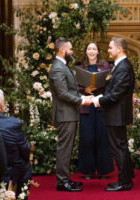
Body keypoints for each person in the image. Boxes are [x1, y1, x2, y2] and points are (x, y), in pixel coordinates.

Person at [48, 37, 92, 192]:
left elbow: (70, 91)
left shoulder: (63, 66)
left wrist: (83, 97)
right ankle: (62, 183)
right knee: (64, 148)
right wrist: (82, 101)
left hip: (69, 114)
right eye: (71, 49)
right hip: (64, 114)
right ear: (62, 50)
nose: (72, 52)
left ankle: (65, 179)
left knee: (66, 148)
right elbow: (62, 93)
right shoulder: (58, 68)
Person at [93, 36, 135, 191]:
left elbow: (116, 93)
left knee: (118, 147)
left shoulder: (123, 67)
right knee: (121, 146)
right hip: (115, 113)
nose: (108, 50)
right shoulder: (119, 65)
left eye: (111, 47)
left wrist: (99, 100)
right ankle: (127, 178)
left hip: (117, 114)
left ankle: (124, 183)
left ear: (120, 49)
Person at [0, 88, 32, 198]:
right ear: (1, 105)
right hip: (11, 172)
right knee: (26, 165)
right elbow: (25, 149)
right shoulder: (13, 123)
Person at [75, 42, 114, 180]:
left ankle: (104, 171)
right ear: (86, 52)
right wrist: (85, 90)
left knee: (102, 137)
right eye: (89, 49)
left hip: (101, 105)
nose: (91, 51)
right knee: (87, 137)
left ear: (98, 52)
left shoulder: (106, 67)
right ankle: (88, 170)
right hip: (86, 105)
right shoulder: (80, 68)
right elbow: (75, 88)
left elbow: (111, 85)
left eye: (94, 49)